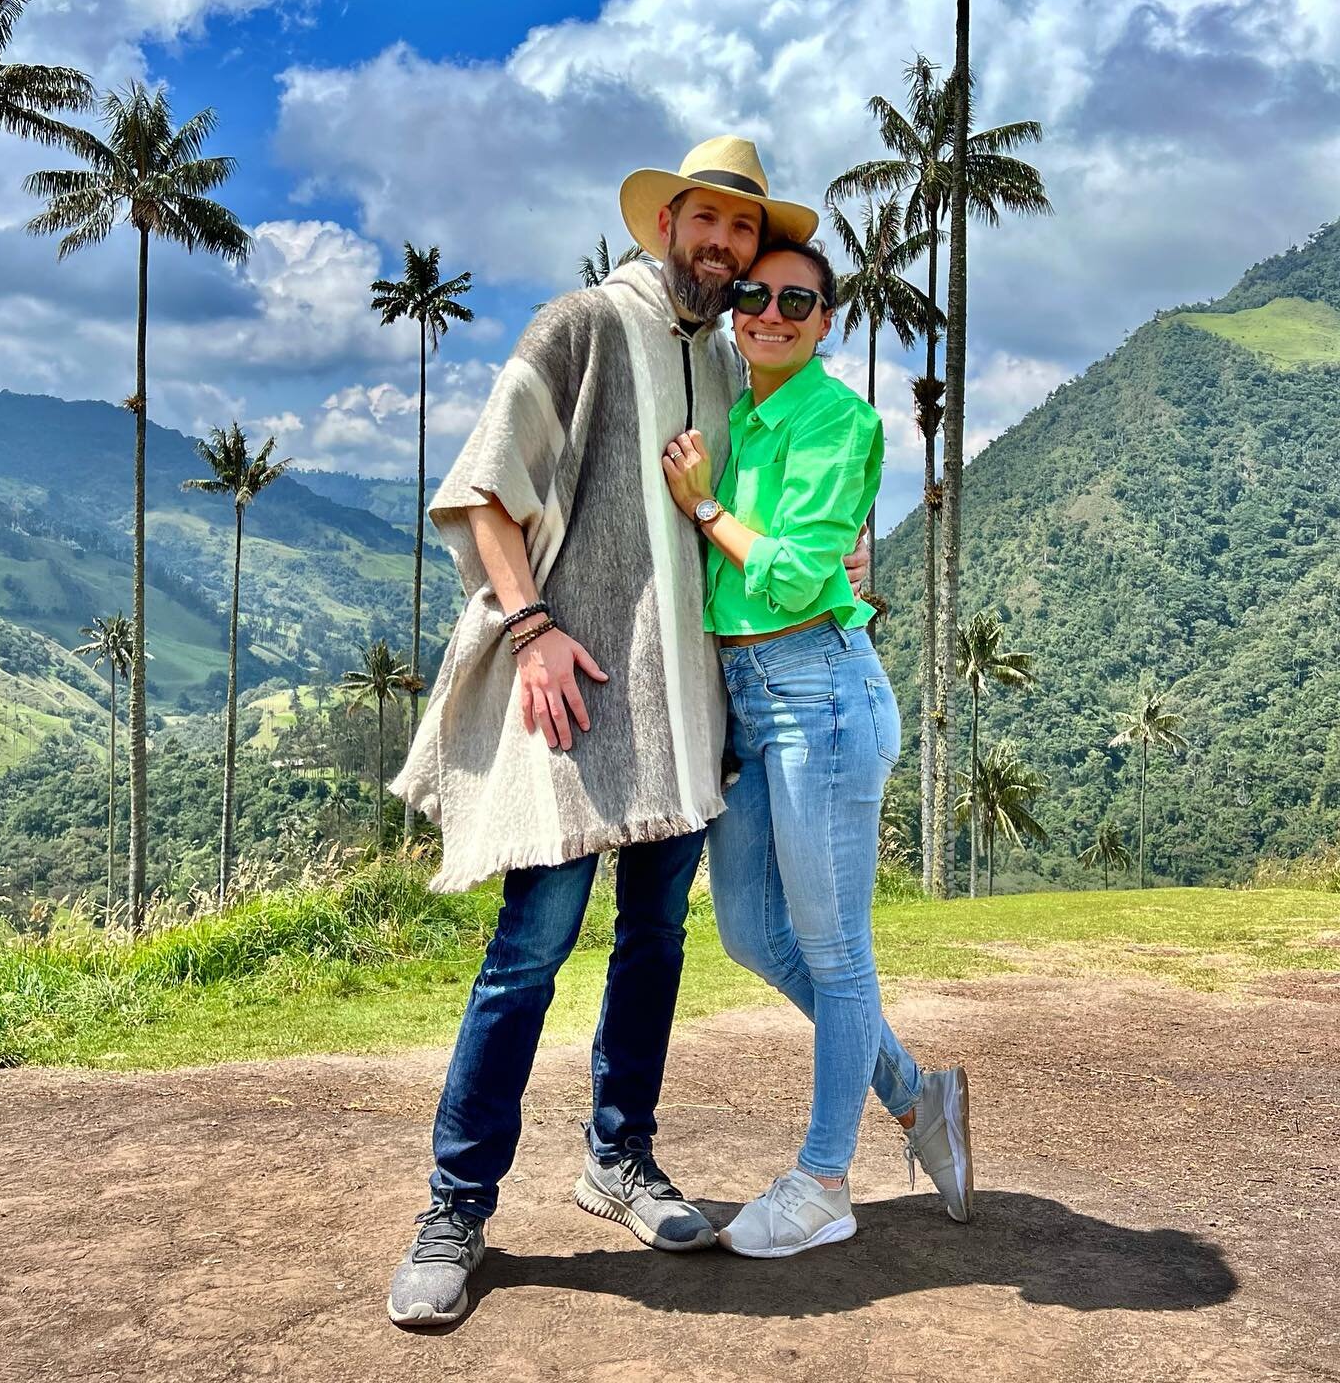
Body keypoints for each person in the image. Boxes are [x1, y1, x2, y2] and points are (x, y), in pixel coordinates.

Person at [386, 137, 843, 1327]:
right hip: (575, 696)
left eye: (745, 232)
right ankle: (457, 1205)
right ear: (665, 226)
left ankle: (618, 1158)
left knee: (655, 946)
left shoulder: (737, 373)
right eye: (709, 222)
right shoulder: (584, 326)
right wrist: (532, 626)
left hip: (686, 716)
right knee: (528, 951)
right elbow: (486, 489)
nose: (727, 248)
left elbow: (760, 515)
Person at [661, 235, 975, 1259]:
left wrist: (705, 507)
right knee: (751, 931)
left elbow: (795, 575)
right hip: (749, 702)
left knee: (839, 952)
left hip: (821, 695)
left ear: (827, 318)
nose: (771, 311)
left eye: (798, 299)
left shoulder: (838, 416)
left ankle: (826, 1179)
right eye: (755, 293)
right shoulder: (738, 413)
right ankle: (916, 1091)